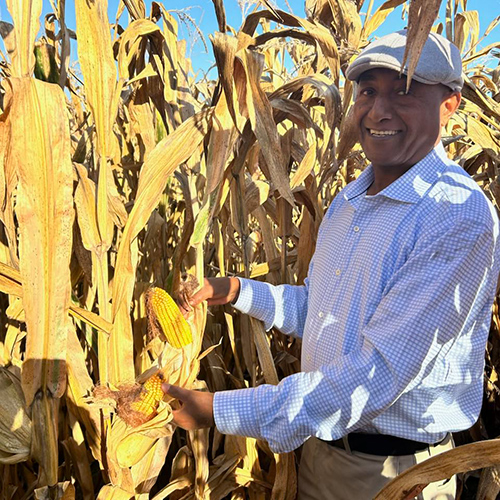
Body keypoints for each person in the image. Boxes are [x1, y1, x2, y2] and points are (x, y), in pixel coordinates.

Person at [162, 30, 500, 499]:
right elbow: (325, 312)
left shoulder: (454, 215)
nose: (378, 110)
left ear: (450, 104)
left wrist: (217, 410)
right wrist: (239, 291)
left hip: (390, 475)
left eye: (403, 92)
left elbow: (373, 375)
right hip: (318, 452)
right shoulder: (350, 202)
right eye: (367, 92)